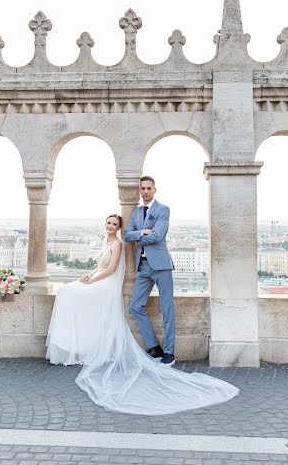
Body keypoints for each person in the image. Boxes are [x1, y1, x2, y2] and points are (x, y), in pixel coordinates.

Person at [46, 213, 239, 415]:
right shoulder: (117, 233)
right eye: (109, 223)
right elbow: (113, 253)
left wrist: (93, 280)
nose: (111, 226)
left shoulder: (136, 230)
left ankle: (168, 352)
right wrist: (89, 274)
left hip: (128, 276)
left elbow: (123, 260)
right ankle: (150, 347)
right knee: (119, 303)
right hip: (119, 274)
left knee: (165, 308)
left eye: (114, 224)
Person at [125, 176, 176, 365]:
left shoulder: (162, 209)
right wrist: (142, 233)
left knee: (167, 308)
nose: (145, 191)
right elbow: (126, 234)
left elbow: (158, 236)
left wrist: (139, 238)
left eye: (148, 188)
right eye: (142, 188)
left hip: (161, 265)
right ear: (140, 190)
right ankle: (154, 347)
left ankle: (170, 351)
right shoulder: (137, 211)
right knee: (135, 306)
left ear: (155, 189)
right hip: (143, 267)